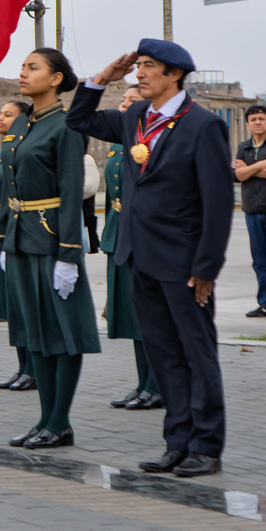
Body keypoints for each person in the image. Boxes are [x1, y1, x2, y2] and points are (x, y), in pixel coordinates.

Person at [68, 38, 234, 478]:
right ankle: (177, 441)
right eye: (138, 65)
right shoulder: (137, 116)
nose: (139, 73)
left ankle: (206, 446)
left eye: (148, 66)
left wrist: (206, 267)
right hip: (139, 254)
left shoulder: (202, 125)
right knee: (164, 354)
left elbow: (217, 204)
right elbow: (78, 119)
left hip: (183, 261)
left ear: (175, 74)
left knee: (197, 353)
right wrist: (101, 79)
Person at [0, 48, 99, 450]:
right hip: (22, 238)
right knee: (34, 330)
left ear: (56, 78)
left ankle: (60, 422)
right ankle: (44, 419)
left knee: (63, 330)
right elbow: (9, 183)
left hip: (53, 239)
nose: (23, 73)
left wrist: (70, 254)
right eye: (23, 67)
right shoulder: (23, 121)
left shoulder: (67, 125)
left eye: (33, 67)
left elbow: (72, 193)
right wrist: (6, 238)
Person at [101, 90, 159, 411]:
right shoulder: (117, 143)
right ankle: (143, 383)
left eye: (131, 100)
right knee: (133, 317)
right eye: (122, 100)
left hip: (143, 235)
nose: (123, 105)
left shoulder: (154, 139)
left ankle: (157, 384)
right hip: (118, 234)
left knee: (148, 317)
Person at [0, 100, 36, 393]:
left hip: (16, 233)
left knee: (25, 305)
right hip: (1, 232)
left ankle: (33, 369)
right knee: (14, 308)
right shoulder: (4, 150)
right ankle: (22, 367)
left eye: (8, 114)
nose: (0, 117)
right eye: (0, 113)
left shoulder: (20, 152)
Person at [236, 104, 266, 316]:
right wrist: (260, 165)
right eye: (253, 120)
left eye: (261, 119)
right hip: (251, 210)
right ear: (247, 124)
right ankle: (265, 303)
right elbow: (237, 175)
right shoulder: (243, 147)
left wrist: (247, 169)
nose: (258, 122)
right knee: (259, 260)